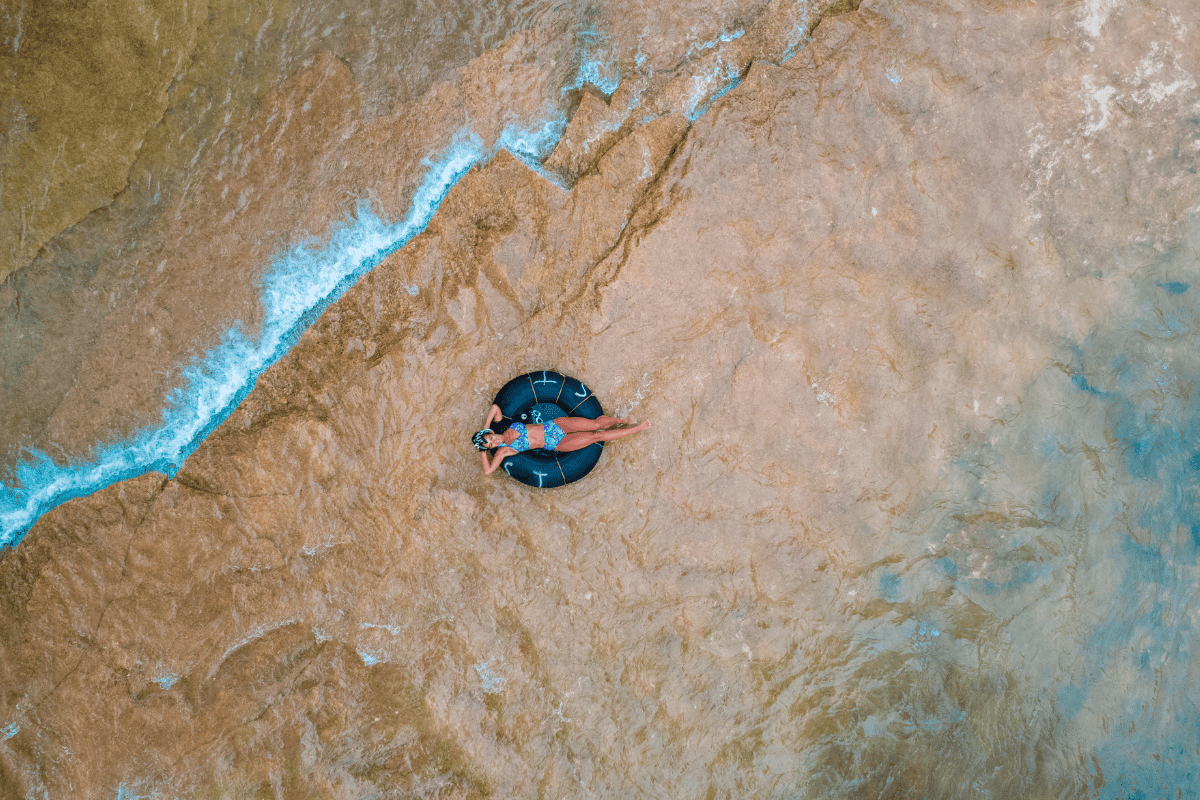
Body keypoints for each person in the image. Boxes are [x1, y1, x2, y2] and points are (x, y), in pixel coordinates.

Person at [472, 404, 650, 475]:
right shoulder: (504, 450)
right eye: (490, 444)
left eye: (490, 438)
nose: (494, 441)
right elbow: (488, 471)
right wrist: (483, 451)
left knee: (596, 424)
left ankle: (623, 421)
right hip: (554, 443)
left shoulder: (502, 424)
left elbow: (495, 408)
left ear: (490, 433)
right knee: (598, 436)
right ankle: (636, 428)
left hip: (554, 426)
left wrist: (486, 427)